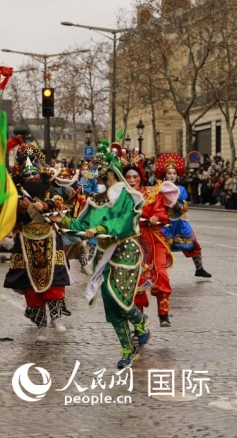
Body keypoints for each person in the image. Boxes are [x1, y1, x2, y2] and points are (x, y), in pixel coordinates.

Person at [51, 146, 151, 369]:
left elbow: (124, 223)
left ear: (112, 173)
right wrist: (63, 220)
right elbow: (81, 225)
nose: (99, 177)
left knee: (120, 299)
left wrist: (100, 227)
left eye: (102, 174)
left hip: (125, 252)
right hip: (104, 255)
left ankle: (140, 321)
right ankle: (128, 348)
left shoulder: (129, 197)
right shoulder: (96, 201)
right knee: (110, 301)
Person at [4, 145, 71, 341]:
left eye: (35, 174)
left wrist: (44, 205)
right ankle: (41, 326)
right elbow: (10, 218)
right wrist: (22, 209)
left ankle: (57, 317)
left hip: (50, 238)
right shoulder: (15, 196)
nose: (32, 177)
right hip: (26, 243)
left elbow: (60, 203)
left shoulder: (50, 190)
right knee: (30, 288)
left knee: (55, 282)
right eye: (28, 175)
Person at [123, 154, 179, 328]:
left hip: (154, 239)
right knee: (135, 280)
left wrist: (155, 217)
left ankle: (164, 314)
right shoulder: (120, 196)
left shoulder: (151, 193)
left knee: (161, 273)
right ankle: (139, 325)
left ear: (141, 177)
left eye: (135, 176)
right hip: (132, 240)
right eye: (128, 177)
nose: (132, 180)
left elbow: (162, 213)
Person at [155, 153, 212, 278]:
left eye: (174, 173)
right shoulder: (158, 189)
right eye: (169, 173)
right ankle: (156, 273)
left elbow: (184, 207)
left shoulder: (181, 189)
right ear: (164, 175)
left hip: (180, 221)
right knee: (161, 247)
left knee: (193, 243)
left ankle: (199, 268)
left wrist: (176, 204)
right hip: (165, 223)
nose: (172, 176)